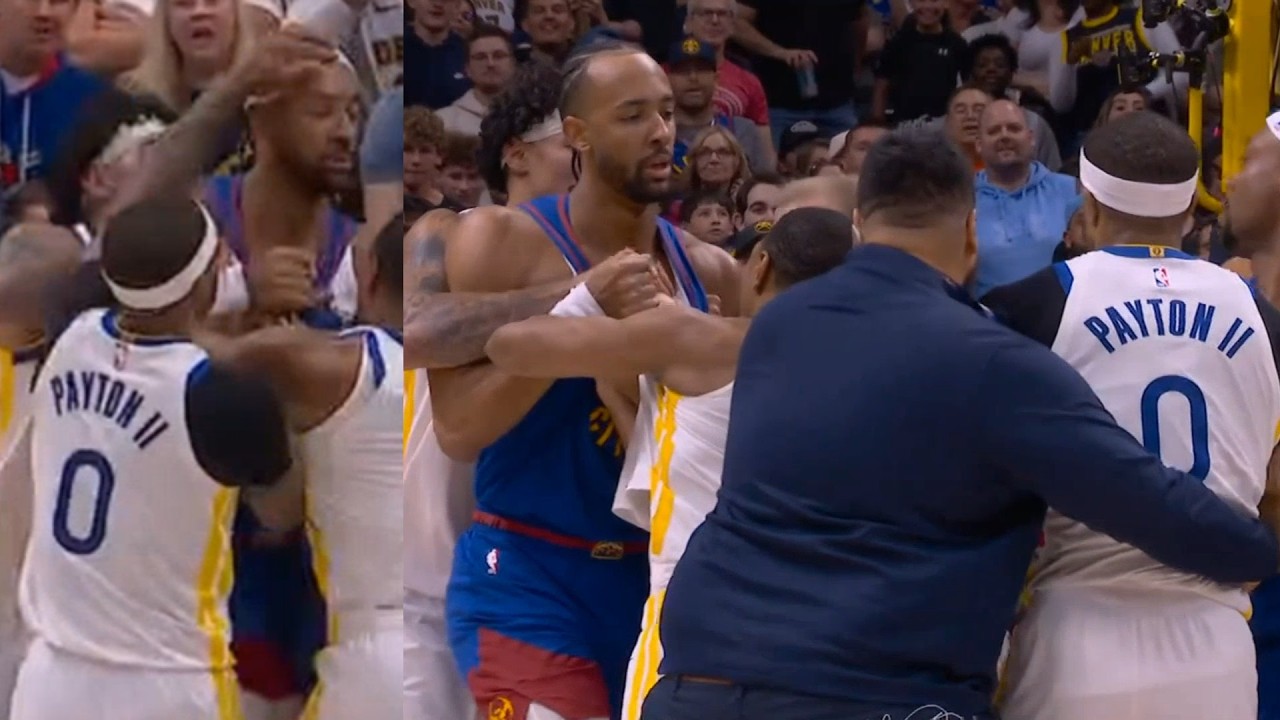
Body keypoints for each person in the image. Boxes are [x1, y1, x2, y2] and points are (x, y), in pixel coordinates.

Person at [641, 127, 1280, 720]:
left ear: (859, 226)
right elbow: (1141, 495)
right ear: (973, 232)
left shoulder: (779, 328)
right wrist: (1259, 549)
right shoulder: (987, 357)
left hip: (698, 682)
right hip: (873, 686)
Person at [430, 40, 739, 720]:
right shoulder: (501, 239)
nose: (661, 131)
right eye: (632, 116)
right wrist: (583, 315)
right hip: (527, 571)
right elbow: (458, 430)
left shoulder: (711, 271)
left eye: (664, 113)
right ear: (577, 136)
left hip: (661, 583)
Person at [482, 207, 854, 720]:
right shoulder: (866, 371)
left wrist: (612, 309)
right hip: (815, 633)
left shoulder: (698, 341)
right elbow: (677, 450)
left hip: (690, 624)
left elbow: (510, 349)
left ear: (761, 266)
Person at [982, 101, 1280, 720]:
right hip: (1217, 637)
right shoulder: (1263, 318)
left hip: (1074, 627)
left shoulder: (1031, 305)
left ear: (1086, 205)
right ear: (1194, 207)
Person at [9, 194, 294, 719]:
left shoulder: (69, 334)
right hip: (168, 683)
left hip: (49, 679)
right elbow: (281, 517)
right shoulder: (226, 392)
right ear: (207, 279)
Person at [402, 59, 577, 720]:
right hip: (424, 580)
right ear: (516, 153)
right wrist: (576, 299)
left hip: (541, 581)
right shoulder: (441, 231)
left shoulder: (627, 258)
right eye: (572, 142)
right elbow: (420, 332)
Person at [195, 214, 403, 720]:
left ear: (369, 277)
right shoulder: (488, 370)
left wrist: (236, 293)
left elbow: (186, 350)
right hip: (477, 645)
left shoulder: (339, 363)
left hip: (381, 656)